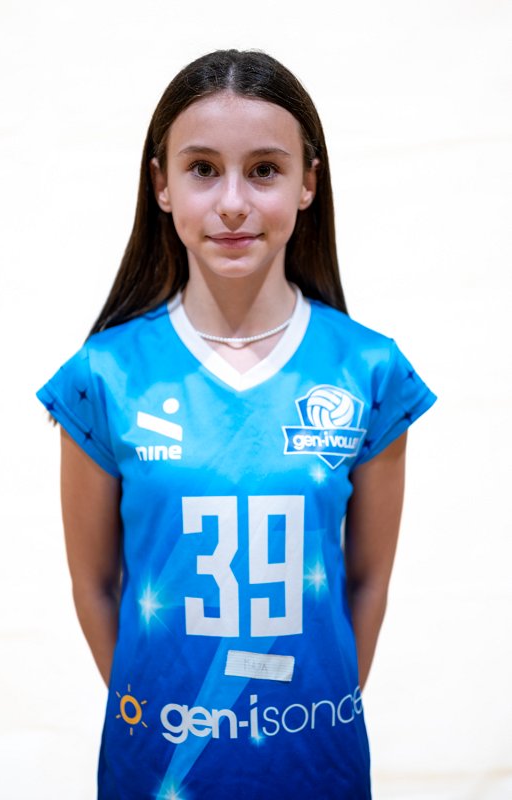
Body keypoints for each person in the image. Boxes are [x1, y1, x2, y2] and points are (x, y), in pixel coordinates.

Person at [37, 49, 436, 800]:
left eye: (263, 170)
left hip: (316, 762)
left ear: (308, 182)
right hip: (157, 769)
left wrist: (311, 713)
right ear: (161, 184)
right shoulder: (105, 375)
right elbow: (93, 584)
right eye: (202, 169)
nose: (231, 202)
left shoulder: (369, 370)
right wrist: (159, 718)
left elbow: (367, 579)